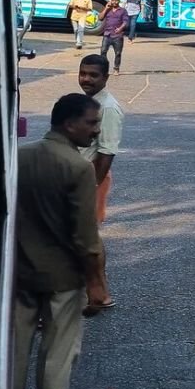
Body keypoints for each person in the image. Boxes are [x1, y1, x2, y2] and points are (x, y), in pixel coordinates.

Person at [11, 92, 105, 389]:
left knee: (14, 357)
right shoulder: (78, 167)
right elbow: (86, 237)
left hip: (21, 274)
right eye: (91, 123)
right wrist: (96, 284)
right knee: (57, 358)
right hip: (63, 280)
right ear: (69, 124)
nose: (95, 131)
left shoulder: (20, 157)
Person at [77, 55, 123, 312]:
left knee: (88, 238)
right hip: (79, 178)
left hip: (92, 178)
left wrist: (92, 186)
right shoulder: (89, 102)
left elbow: (107, 151)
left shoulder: (108, 108)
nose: (87, 79)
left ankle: (98, 294)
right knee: (88, 237)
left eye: (93, 75)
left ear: (105, 77)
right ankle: (99, 294)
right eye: (83, 73)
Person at [98, 0, 128, 72]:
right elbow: (100, 18)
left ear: (119, 1)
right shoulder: (108, 9)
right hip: (107, 34)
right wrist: (106, 8)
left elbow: (125, 22)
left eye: (116, 0)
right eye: (112, 0)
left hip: (117, 36)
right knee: (103, 52)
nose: (114, 2)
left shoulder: (123, 11)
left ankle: (116, 68)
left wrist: (120, 29)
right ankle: (104, 68)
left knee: (118, 53)